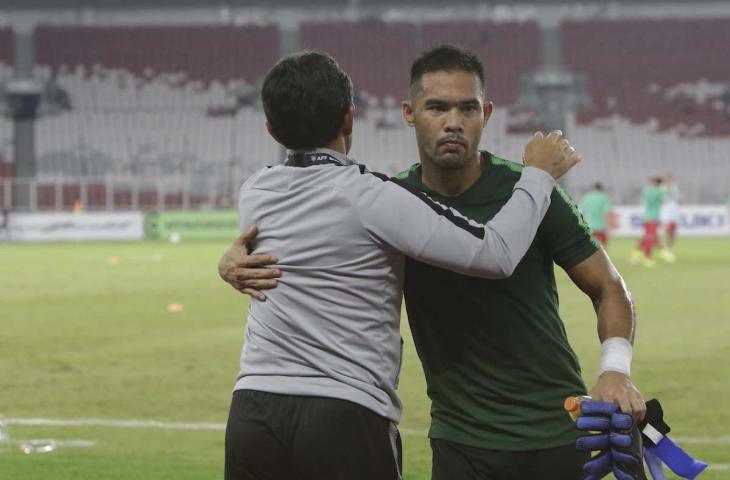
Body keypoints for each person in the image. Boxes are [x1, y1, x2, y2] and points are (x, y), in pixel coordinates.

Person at [222, 45, 645, 480]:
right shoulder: (392, 199)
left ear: (487, 113)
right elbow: (322, 236)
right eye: (436, 107)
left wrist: (615, 370)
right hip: (459, 438)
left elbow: (609, 286)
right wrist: (230, 263)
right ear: (409, 112)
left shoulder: (529, 193)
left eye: (468, 108)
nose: (453, 122)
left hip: (552, 429)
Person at [630, 176, 665, 268]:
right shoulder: (655, 191)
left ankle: (636, 254)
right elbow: (665, 196)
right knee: (650, 238)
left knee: (647, 237)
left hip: (649, 217)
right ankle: (647, 258)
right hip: (651, 218)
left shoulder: (647, 190)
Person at [579, 182, 613, 247]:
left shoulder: (587, 197)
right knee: (603, 246)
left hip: (589, 226)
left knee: (589, 246)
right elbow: (607, 213)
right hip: (601, 226)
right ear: (601, 189)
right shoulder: (604, 197)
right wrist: (608, 226)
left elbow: (582, 212)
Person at [658, 174, 679, 263]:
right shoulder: (661, 189)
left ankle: (670, 248)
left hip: (673, 213)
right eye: (667, 180)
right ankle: (665, 249)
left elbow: (676, 198)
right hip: (665, 213)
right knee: (666, 231)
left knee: (672, 232)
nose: (668, 182)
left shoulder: (674, 188)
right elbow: (660, 199)